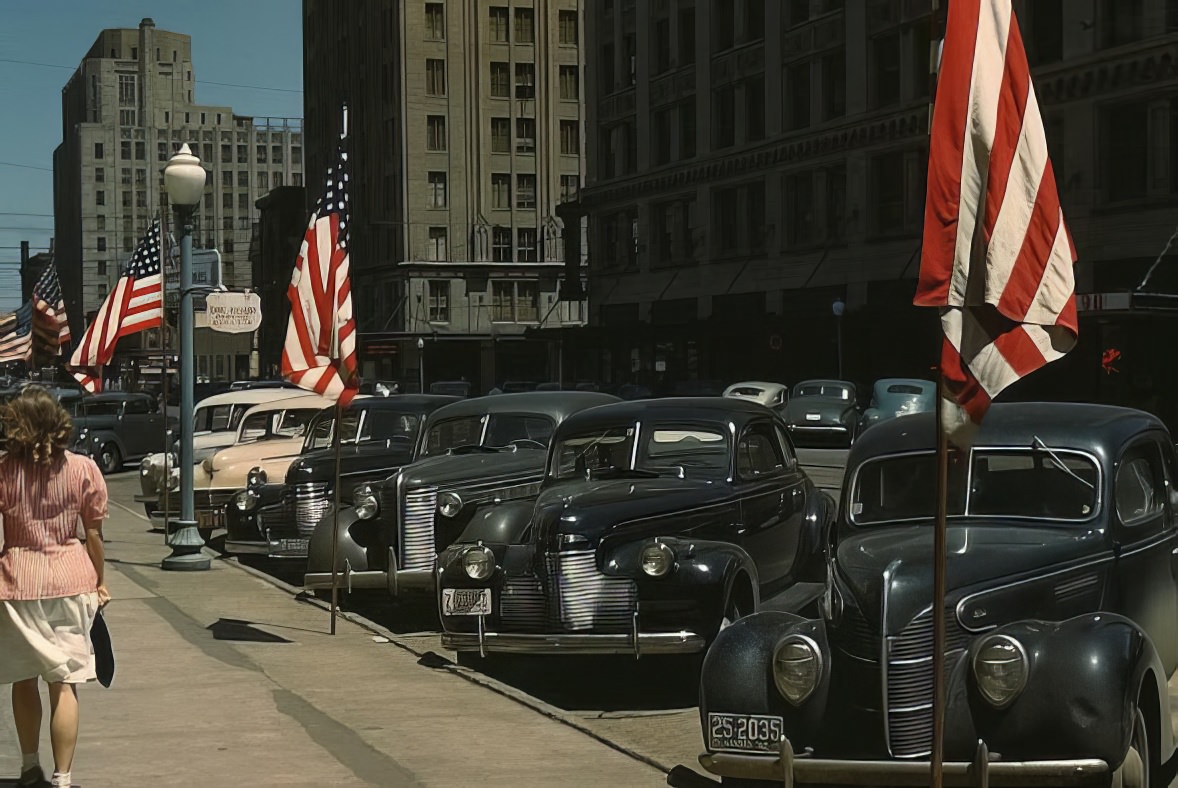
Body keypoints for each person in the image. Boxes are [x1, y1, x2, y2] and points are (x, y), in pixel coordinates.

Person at [0, 386, 110, 788]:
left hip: (17, 584)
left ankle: (30, 767)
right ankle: (63, 779)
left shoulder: (4, 470)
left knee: (23, 678)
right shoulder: (82, 469)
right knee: (64, 682)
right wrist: (101, 581)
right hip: (71, 579)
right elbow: (93, 535)